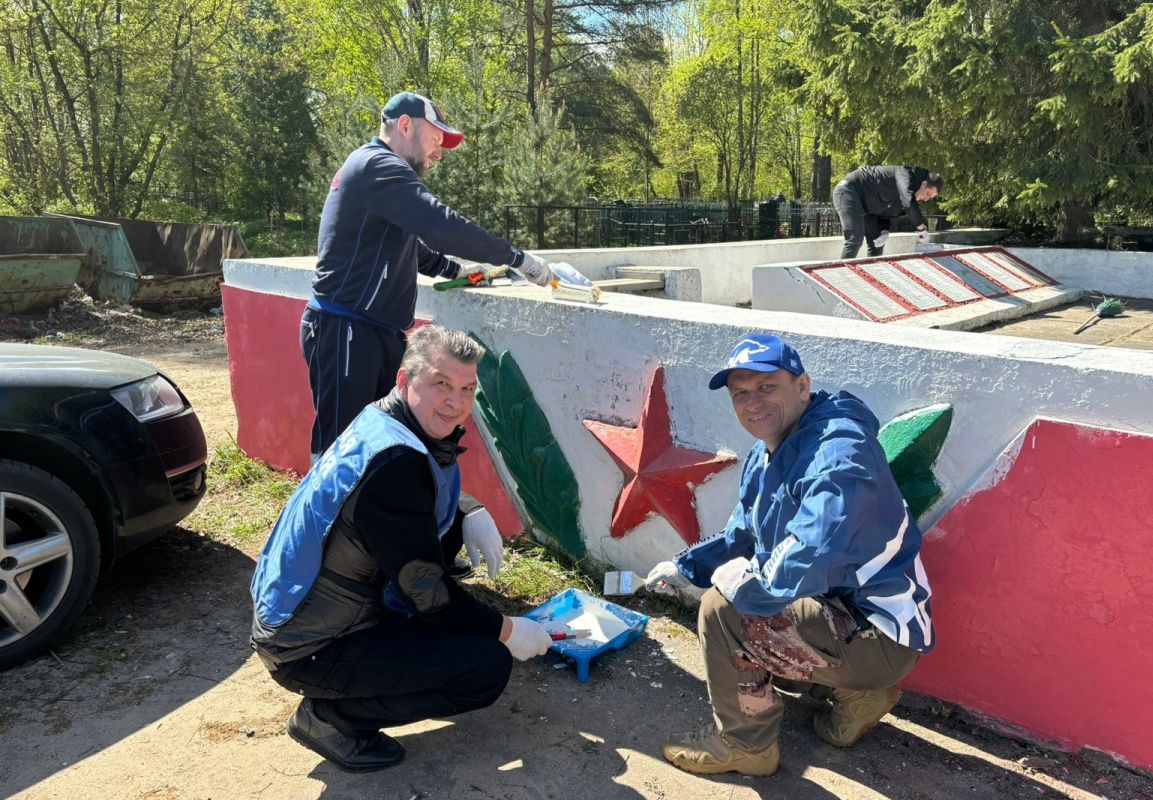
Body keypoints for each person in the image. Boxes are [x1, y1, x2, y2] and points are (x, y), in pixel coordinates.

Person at [250, 325, 553, 772]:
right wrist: (508, 631)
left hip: (297, 609)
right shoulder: (396, 463)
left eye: (468, 389)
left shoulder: (383, 420)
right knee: (484, 667)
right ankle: (330, 718)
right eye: (441, 384)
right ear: (403, 381)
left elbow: (409, 505)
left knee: (464, 617)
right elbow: (428, 594)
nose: (457, 402)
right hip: (309, 644)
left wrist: (468, 509)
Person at [646, 332, 935, 777]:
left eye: (767, 387)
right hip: (846, 617)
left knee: (722, 612)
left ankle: (745, 745)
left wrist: (743, 588)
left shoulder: (838, 452)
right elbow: (743, 534)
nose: (752, 403)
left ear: (803, 386)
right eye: (740, 393)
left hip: (879, 633)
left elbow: (814, 550)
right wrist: (686, 567)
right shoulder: (770, 452)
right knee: (748, 609)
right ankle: (858, 697)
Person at [302, 90, 587, 461]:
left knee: (373, 447)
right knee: (339, 451)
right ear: (405, 125)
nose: (439, 152)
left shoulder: (377, 172)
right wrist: (517, 258)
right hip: (347, 329)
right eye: (435, 139)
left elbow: (408, 246)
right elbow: (439, 225)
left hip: (369, 331)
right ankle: (322, 519)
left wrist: (460, 271)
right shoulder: (378, 165)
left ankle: (366, 518)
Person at [833, 166, 942, 259]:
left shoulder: (907, 193)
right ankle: (840, 274)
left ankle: (872, 277)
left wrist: (884, 230)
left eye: (930, 198)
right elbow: (909, 204)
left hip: (867, 206)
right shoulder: (905, 175)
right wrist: (921, 228)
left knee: (877, 243)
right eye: (928, 194)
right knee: (855, 239)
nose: (926, 199)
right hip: (849, 191)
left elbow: (886, 211)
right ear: (924, 184)